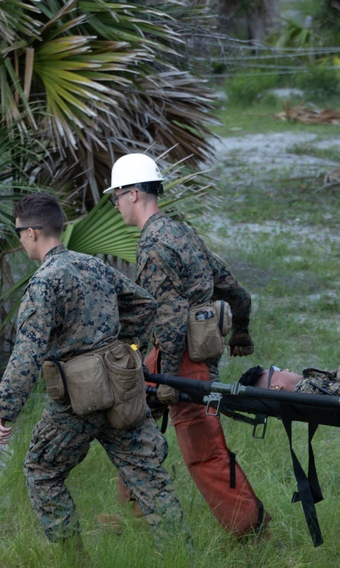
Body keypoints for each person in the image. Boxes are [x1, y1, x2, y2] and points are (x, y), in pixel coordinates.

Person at [0, 193, 187, 554]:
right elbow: (144, 304)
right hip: (121, 386)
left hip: (76, 403)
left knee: (41, 470)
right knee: (149, 477)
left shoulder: (44, 282)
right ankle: (182, 567)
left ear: (32, 233)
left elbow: (28, 351)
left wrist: (4, 409)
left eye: (18, 233)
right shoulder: (92, 265)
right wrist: (126, 350)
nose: (19, 240)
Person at [106, 153, 270, 538]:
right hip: (184, 353)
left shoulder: (153, 245)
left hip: (182, 359)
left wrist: (165, 377)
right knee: (129, 417)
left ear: (132, 194)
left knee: (204, 451)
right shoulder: (182, 233)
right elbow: (234, 289)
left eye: (116, 196)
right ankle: (136, 513)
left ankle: (251, 532)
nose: (114, 204)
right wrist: (241, 331)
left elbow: (170, 315)